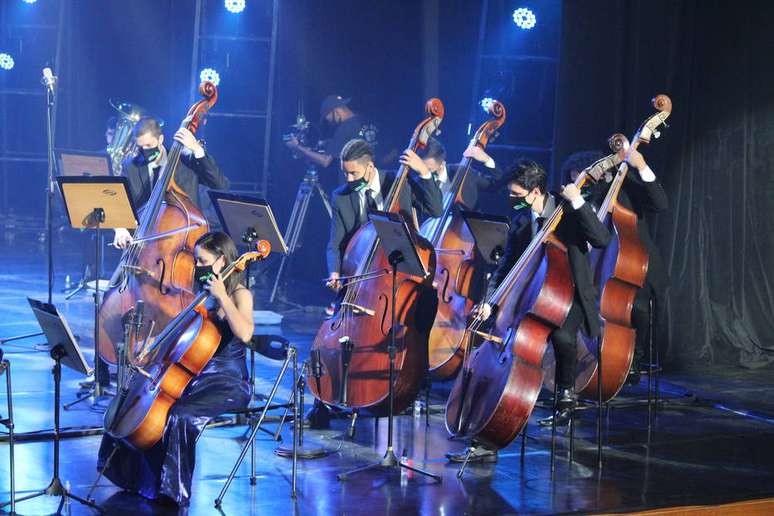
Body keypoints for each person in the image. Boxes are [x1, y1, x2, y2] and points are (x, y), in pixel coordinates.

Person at [447, 159, 610, 464]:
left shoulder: (569, 212)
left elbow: (601, 239)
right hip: (529, 296)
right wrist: (491, 301)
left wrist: (578, 202)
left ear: (536, 192)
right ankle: (488, 433)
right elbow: (507, 265)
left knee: (562, 336)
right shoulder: (522, 222)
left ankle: (565, 396)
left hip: (568, 295)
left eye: (517, 195)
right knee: (503, 340)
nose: (513, 200)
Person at [97, 231, 253, 507]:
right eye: (197, 260)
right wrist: (153, 346)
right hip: (195, 377)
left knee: (180, 415)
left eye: (204, 261)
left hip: (227, 381)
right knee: (144, 408)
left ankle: (174, 493)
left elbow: (245, 333)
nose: (199, 267)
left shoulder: (240, 294)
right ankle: (139, 482)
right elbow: (185, 338)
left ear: (222, 261)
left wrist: (223, 297)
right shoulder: (200, 295)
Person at [306, 138, 443, 429]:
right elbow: (336, 242)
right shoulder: (342, 196)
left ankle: (404, 383)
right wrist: (333, 272)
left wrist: (424, 173)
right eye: (345, 173)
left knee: (419, 313)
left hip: (395, 278)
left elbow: (435, 206)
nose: (348, 179)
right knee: (335, 334)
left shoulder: (400, 180)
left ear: (370, 166)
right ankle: (325, 400)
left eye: (354, 173)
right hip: (359, 277)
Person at [561, 145, 669, 382]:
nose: (582, 186)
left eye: (585, 180)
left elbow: (660, 204)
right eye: (575, 180)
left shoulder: (623, 187)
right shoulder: (576, 202)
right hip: (597, 268)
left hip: (635, 264)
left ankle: (634, 357)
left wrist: (640, 165)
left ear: (601, 173)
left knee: (638, 308)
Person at [112, 116, 227, 249]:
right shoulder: (130, 166)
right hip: (144, 244)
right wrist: (120, 229)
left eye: (149, 145)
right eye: (140, 147)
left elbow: (220, 185)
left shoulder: (184, 161)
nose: (145, 151)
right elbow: (119, 203)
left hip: (184, 239)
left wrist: (197, 149)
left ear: (160, 139)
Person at [402, 137, 506, 214]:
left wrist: (487, 159)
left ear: (442, 164)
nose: (425, 173)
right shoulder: (417, 183)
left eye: (429, 170)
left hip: (469, 236)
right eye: (421, 168)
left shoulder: (463, 172)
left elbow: (496, 186)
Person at [284, 95, 369, 175]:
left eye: (327, 118)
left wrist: (298, 147)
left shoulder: (344, 128)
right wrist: (328, 143)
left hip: (354, 184)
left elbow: (325, 161)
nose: (329, 122)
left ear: (336, 111)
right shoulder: (364, 122)